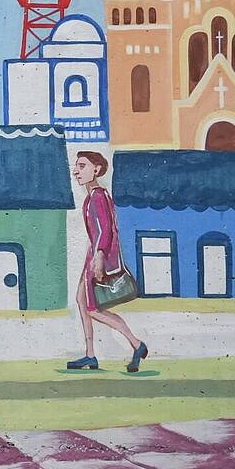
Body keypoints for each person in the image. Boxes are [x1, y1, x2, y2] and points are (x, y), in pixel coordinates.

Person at [69, 150, 149, 373]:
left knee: (93, 309)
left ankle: (136, 343)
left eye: (82, 166)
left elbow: (105, 229)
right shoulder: (91, 197)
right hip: (94, 254)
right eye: (76, 166)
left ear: (96, 170)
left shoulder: (97, 196)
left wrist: (100, 256)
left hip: (98, 256)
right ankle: (90, 355)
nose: (76, 171)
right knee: (82, 301)